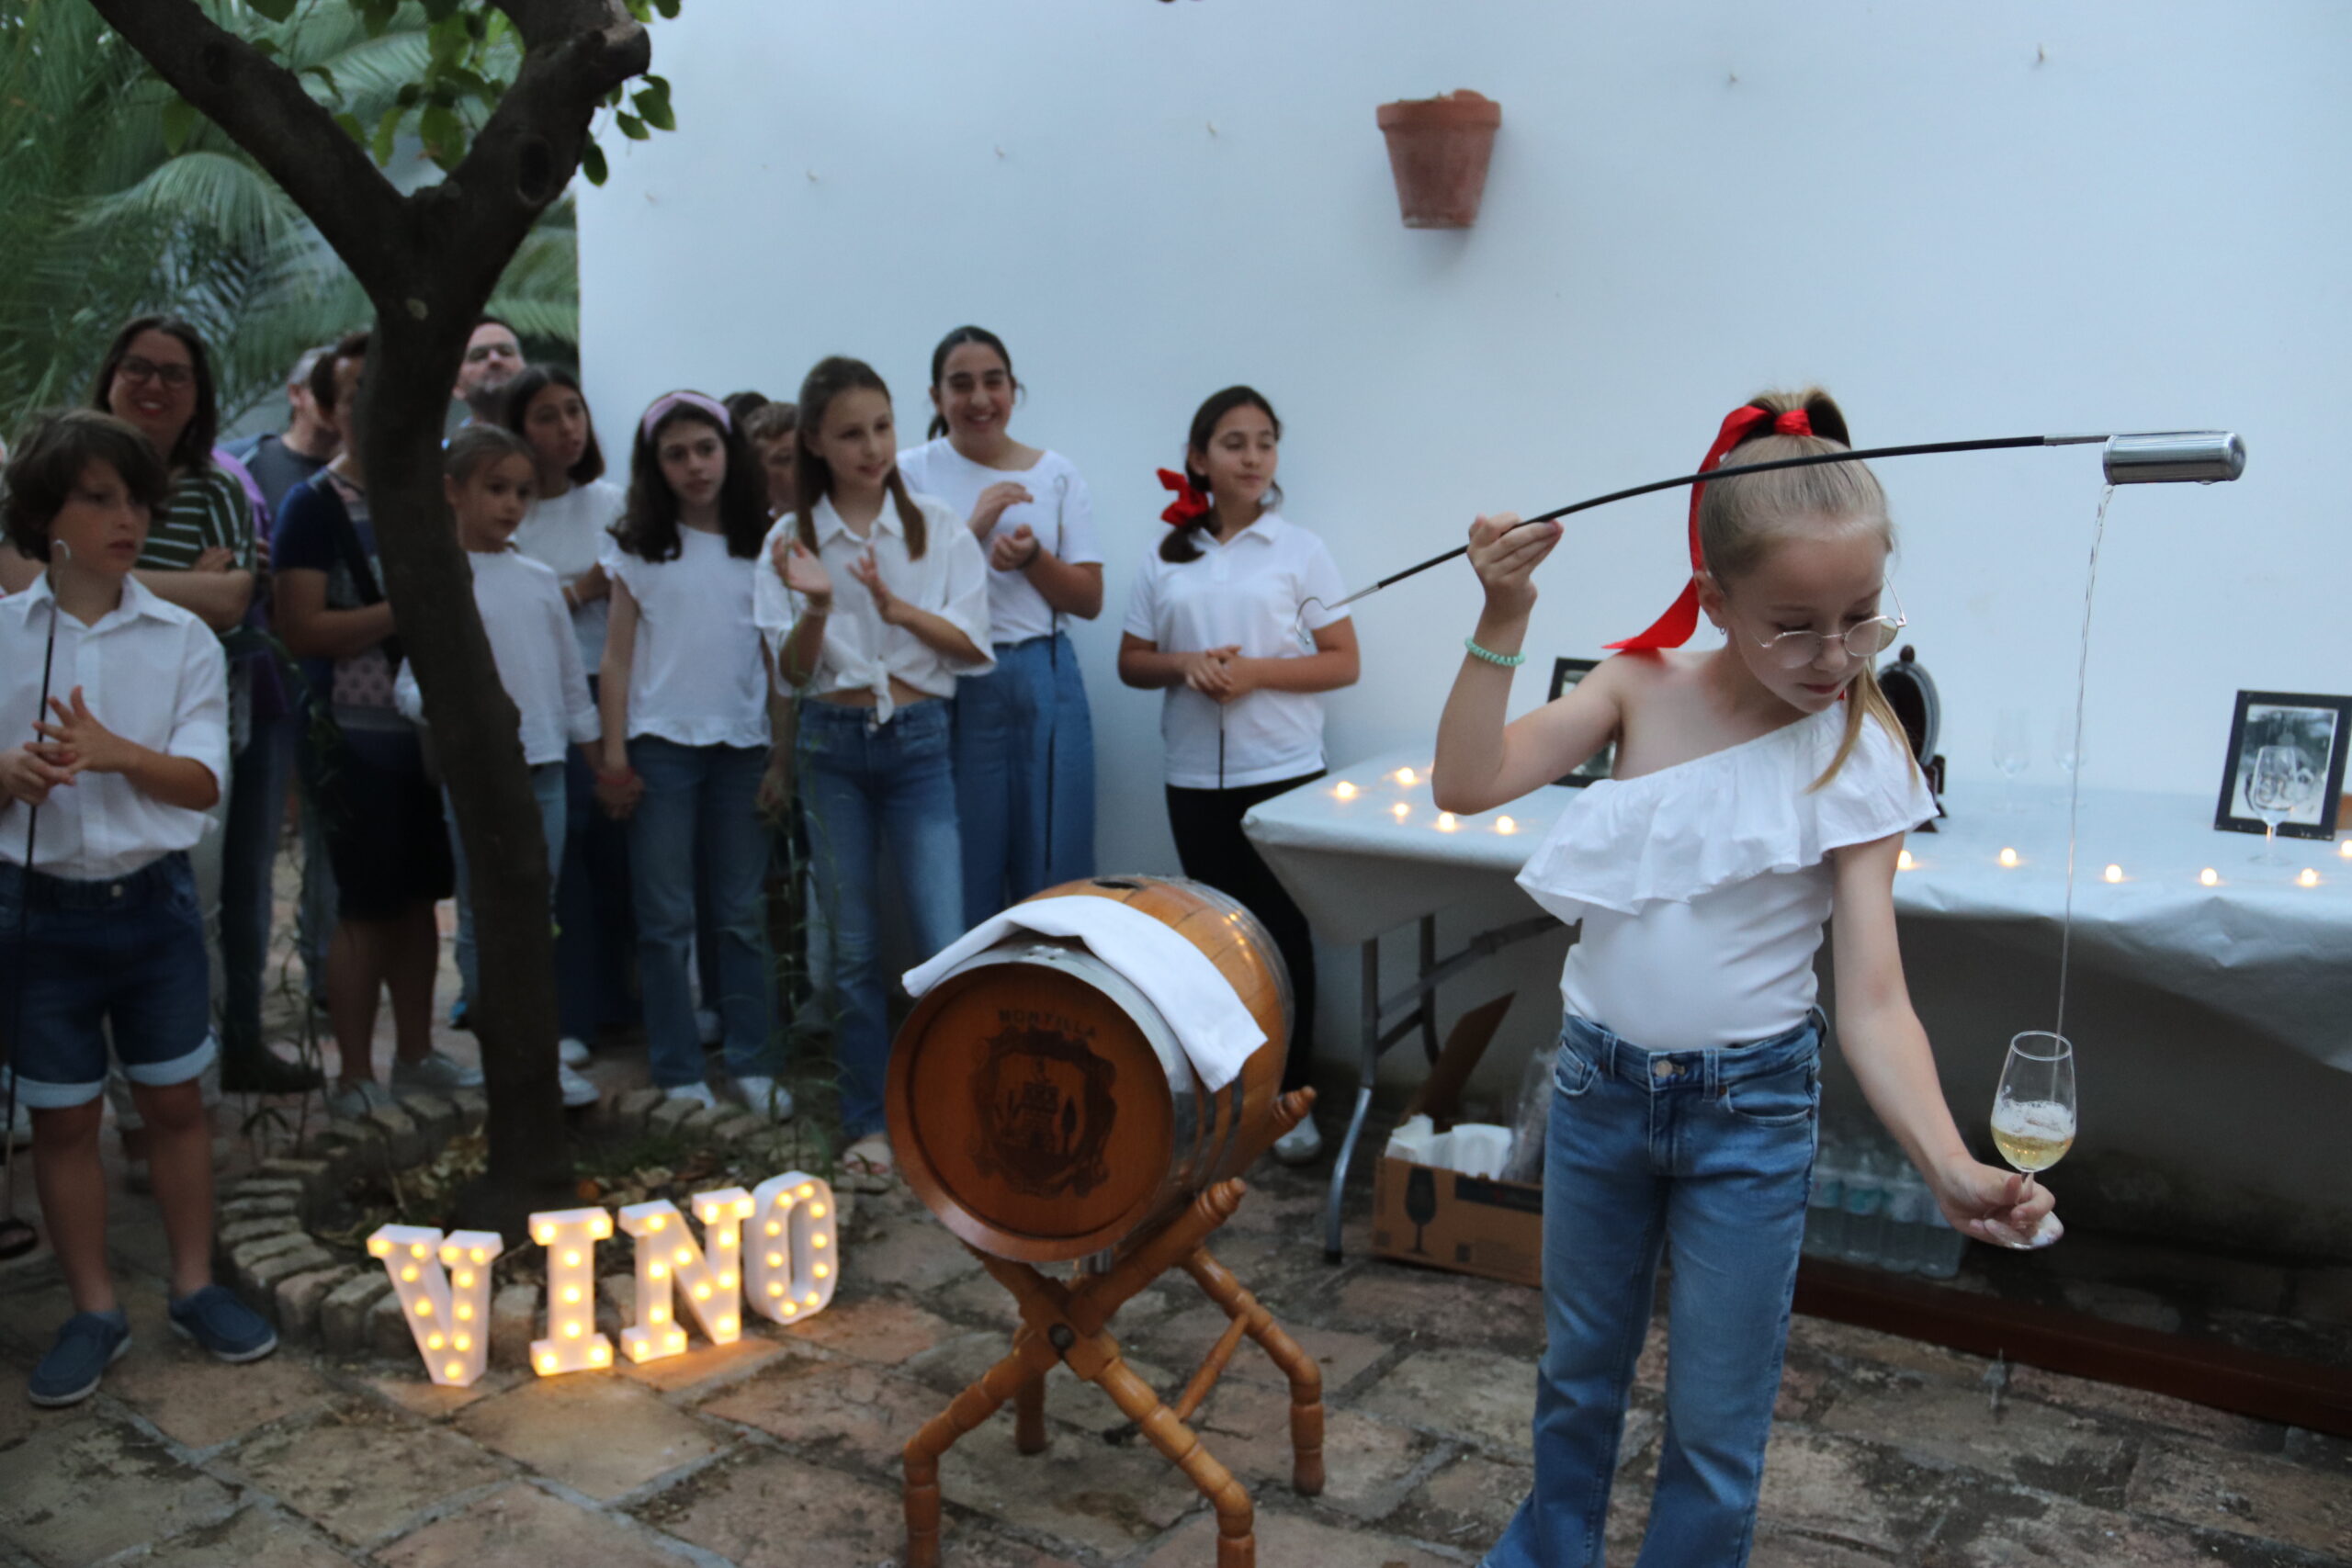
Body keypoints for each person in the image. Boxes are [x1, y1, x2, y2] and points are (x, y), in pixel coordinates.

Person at [1434, 391, 2063, 1568]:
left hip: (1752, 1116)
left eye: (1860, 619)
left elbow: (1873, 999)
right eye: (1794, 625)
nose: (1833, 657)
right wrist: (1503, 612)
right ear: (1714, 601)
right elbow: (1465, 781)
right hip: (1598, 1097)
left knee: (1717, 1427)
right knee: (1576, 1380)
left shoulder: (1861, 749)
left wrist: (1947, 1164)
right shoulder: (1638, 689)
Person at [1, 411, 278, 1406]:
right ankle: (94, 1308)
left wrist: (118, 754)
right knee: (64, 1118)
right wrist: (7, 773)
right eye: (98, 498)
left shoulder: (182, 639)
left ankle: (195, 1284)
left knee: (172, 1103)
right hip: (36, 912)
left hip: (153, 911)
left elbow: (205, 782)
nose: (127, 518)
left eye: (136, 500)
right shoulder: (2, 633)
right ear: (45, 516)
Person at [760, 356, 990, 1182]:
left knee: (944, 940)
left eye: (883, 427)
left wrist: (896, 609)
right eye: (851, 433)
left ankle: (952, 1116)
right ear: (816, 443)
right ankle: (866, 1123)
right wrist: (820, 606)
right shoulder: (788, 540)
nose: (872, 447)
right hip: (832, 742)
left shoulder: (937, 526)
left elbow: (975, 652)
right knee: (853, 950)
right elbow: (789, 673)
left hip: (921, 739)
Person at [1117, 386, 1357, 1164]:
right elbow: (1131, 661)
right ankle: (1227, 1095)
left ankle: (1292, 1098)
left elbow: (1343, 660)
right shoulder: (1165, 556)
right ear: (1199, 458)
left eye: (1264, 441)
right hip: (1193, 776)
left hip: (1283, 771)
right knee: (1212, 942)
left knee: (1284, 937)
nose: (1252, 457)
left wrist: (1253, 672)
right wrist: (1186, 665)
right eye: (1233, 442)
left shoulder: (1300, 550)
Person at [274, 331, 472, 1117]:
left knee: (422, 899)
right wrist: (407, 609)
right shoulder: (312, 504)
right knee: (363, 906)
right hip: (354, 737)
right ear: (329, 409)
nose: (375, 407)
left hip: (428, 739)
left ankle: (418, 1055)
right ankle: (355, 1071)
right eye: (355, 394)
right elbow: (300, 627)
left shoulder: (437, 491)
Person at [393, 427, 600, 1109]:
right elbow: (409, 684)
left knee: (540, 911)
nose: (511, 504)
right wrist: (461, 717)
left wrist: (598, 760)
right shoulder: (439, 580)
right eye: (495, 488)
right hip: (477, 781)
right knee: (484, 916)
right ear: (453, 491)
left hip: (545, 770)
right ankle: (496, 1050)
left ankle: (540, 1050)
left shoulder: (540, 582)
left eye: (521, 492)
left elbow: (572, 684)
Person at [596, 392, 787, 1119]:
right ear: (655, 467)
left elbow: (777, 661)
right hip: (662, 749)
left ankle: (754, 1057)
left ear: (728, 452)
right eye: (675, 454)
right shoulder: (640, 547)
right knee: (665, 917)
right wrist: (615, 754)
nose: (694, 465)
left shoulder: (762, 544)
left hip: (743, 750)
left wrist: (782, 760)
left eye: (705, 449)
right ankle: (678, 1067)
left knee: (741, 913)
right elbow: (615, 659)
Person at [899, 326, 1102, 925]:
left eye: (994, 382)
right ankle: (973, 1008)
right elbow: (900, 595)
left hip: (1045, 672)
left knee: (1054, 857)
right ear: (936, 397)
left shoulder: (1057, 474)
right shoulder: (911, 473)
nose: (980, 398)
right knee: (964, 861)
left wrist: (1035, 560)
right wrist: (973, 527)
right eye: (960, 385)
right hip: (952, 680)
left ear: (1015, 390)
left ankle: (1055, 1002)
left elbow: (1089, 599)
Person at [501, 365, 636, 1053]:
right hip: (548, 697)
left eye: (574, 411)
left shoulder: (614, 501)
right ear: (518, 431)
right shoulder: (510, 512)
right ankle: (574, 1012)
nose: (567, 427)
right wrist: (580, 591)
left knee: (623, 857)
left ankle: (625, 1002)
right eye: (547, 416)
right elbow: (508, 607)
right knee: (570, 859)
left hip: (616, 689)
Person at [226, 345, 339, 519]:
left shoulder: (367, 471)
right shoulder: (241, 460)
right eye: (325, 389)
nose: (336, 401)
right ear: (296, 393)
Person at [451, 316, 524, 427]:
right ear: (456, 387)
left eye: (506, 352)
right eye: (479, 355)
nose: (495, 359)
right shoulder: (440, 445)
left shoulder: (556, 443)